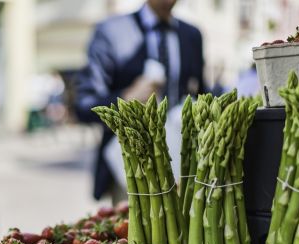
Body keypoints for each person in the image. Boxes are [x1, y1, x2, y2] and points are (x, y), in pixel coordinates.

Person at [75, 0, 206, 203]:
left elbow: (203, 92)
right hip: (128, 164)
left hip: (180, 160)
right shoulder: (111, 31)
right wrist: (127, 97)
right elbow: (84, 104)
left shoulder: (192, 35)